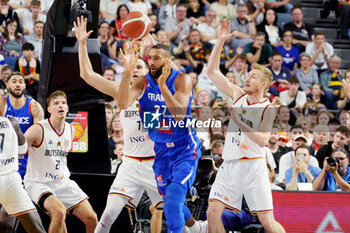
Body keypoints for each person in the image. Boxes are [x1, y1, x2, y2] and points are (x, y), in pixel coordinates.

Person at [75, 17, 205, 233]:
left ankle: (198, 228)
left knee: (175, 208)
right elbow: (87, 75)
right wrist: (80, 44)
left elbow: (164, 60)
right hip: (131, 164)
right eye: (132, 65)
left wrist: (144, 30)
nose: (134, 69)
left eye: (139, 66)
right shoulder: (124, 89)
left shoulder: (164, 85)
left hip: (157, 161)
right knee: (108, 214)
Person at [205, 20, 285, 233]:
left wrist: (238, 118)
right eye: (248, 75)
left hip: (253, 166)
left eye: (253, 77)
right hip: (230, 165)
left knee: (268, 221)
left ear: (264, 85)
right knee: (212, 212)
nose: (247, 78)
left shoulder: (267, 108)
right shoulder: (238, 95)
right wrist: (220, 42)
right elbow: (212, 72)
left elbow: (262, 140)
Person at [23, 90, 98, 233]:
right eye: (56, 103)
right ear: (49, 109)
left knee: (91, 218)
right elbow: (18, 147)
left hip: (62, 181)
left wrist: (62, 172)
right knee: (59, 212)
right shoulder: (38, 129)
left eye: (63, 103)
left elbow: (64, 157)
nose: (60, 106)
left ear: (68, 108)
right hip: (39, 182)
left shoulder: (71, 129)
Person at [0, 117, 46, 233]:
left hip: (11, 180)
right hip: (11, 180)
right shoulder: (11, 122)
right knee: (36, 228)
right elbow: (22, 149)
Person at [0, 72, 44, 179]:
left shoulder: (34, 106)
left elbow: (39, 138)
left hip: (26, 158)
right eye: (14, 82)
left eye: (21, 82)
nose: (18, 84)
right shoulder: (2, 103)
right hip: (5, 158)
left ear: (24, 86)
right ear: (7, 85)